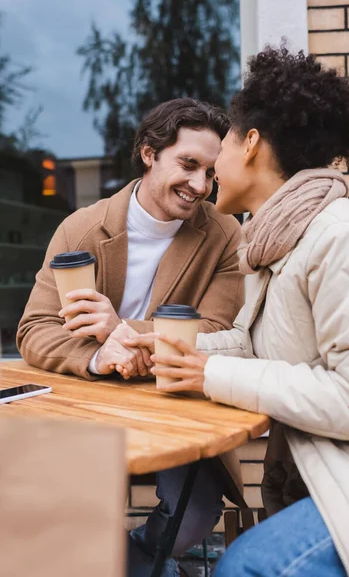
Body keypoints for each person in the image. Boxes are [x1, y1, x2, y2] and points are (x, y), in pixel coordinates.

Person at [128, 48, 349, 576]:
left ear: (250, 143)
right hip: (329, 474)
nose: (207, 180)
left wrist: (212, 373)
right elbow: (256, 347)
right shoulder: (281, 242)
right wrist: (170, 348)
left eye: (222, 146)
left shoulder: (338, 237)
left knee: (244, 566)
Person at [17, 98, 244, 577]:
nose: (200, 185)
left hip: (177, 400)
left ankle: (140, 561)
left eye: (210, 172)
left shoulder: (226, 235)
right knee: (78, 517)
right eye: (188, 164)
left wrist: (122, 329)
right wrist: (101, 355)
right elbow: (35, 329)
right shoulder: (80, 228)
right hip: (88, 403)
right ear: (148, 153)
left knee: (197, 517)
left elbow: (220, 331)